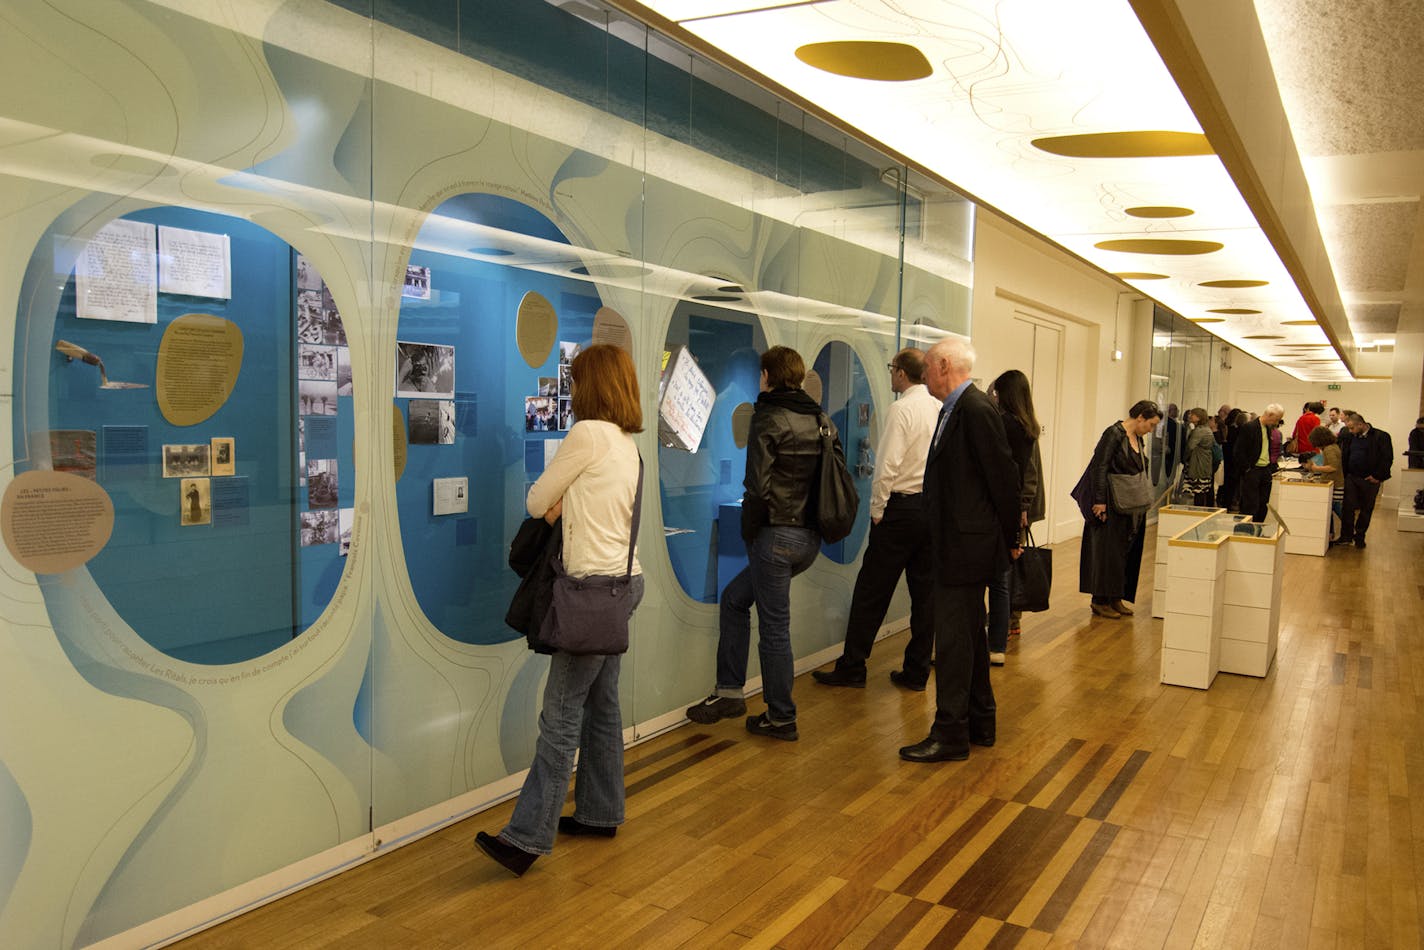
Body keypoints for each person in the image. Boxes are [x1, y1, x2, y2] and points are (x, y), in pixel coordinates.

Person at [475, 344, 645, 877]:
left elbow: (535, 502)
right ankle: (599, 812)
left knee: (560, 715)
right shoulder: (625, 443)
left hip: (587, 593)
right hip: (623, 583)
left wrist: (556, 501)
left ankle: (527, 837)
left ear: (589, 384)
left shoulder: (588, 434)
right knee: (602, 706)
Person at [687, 346, 834, 741]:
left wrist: (752, 533)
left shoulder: (769, 416)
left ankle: (782, 717)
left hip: (777, 537)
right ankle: (730, 692)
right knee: (736, 598)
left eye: (760, 374)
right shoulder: (820, 419)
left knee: (774, 628)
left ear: (768, 375)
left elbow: (757, 486)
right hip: (809, 538)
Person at [899, 338, 1021, 763]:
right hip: (960, 546)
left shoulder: (972, 409)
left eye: (929, 367)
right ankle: (980, 721)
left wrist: (1010, 542)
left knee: (953, 643)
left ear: (944, 366)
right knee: (968, 636)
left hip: (965, 550)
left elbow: (1003, 480)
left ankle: (950, 733)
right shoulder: (957, 408)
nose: (925, 375)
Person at [813, 347, 939, 690]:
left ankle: (853, 665)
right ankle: (916, 671)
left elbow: (886, 467)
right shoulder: (939, 407)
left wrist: (878, 510)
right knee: (925, 596)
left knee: (871, 591)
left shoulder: (902, 409)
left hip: (899, 511)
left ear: (900, 373)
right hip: (930, 510)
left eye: (891, 368)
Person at [1078, 400, 1162, 619]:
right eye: (1150, 424)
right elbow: (1100, 467)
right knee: (1108, 552)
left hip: (1130, 503)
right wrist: (1099, 501)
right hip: (1111, 501)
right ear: (1140, 417)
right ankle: (1100, 599)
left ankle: (1116, 596)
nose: (1151, 429)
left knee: (1124, 551)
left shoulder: (1138, 438)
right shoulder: (1113, 434)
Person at [984, 369, 1043, 666]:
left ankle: (998, 632)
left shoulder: (1005, 425)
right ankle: (999, 638)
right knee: (1002, 576)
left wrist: (1022, 507)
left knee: (997, 575)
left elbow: (1020, 476)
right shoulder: (1027, 426)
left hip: (1001, 510)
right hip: (1015, 510)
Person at [1334, 412, 1393, 549]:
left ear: (1360, 424)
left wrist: (1377, 476)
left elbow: (1387, 458)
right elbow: (1345, 454)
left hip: (1370, 479)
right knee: (1347, 508)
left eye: (1352, 428)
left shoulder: (1381, 436)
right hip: (1352, 477)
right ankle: (1346, 536)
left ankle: (1360, 536)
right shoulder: (1350, 436)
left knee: (1366, 509)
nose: (1350, 431)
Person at [1232, 403, 1285, 522]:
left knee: (1263, 503)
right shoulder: (1249, 427)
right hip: (1253, 470)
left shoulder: (1268, 428)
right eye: (1276, 419)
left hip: (1265, 470)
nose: (1277, 423)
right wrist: (1247, 468)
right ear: (1270, 414)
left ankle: (1259, 529)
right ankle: (1247, 531)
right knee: (1250, 504)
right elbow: (1238, 451)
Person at [1301, 425, 1344, 537]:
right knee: (1331, 510)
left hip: (1335, 484)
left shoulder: (1329, 449)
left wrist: (1316, 468)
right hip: (1334, 483)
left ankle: (1346, 533)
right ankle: (1331, 534)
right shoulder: (1333, 447)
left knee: (1337, 510)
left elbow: (1333, 467)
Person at [1181, 407, 1216, 506]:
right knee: (1202, 490)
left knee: (1198, 491)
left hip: (1198, 463)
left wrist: (1184, 459)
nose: (1190, 416)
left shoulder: (1199, 431)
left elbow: (1190, 446)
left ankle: (1196, 513)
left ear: (1199, 417)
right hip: (1205, 463)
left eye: (1193, 414)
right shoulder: (1207, 429)